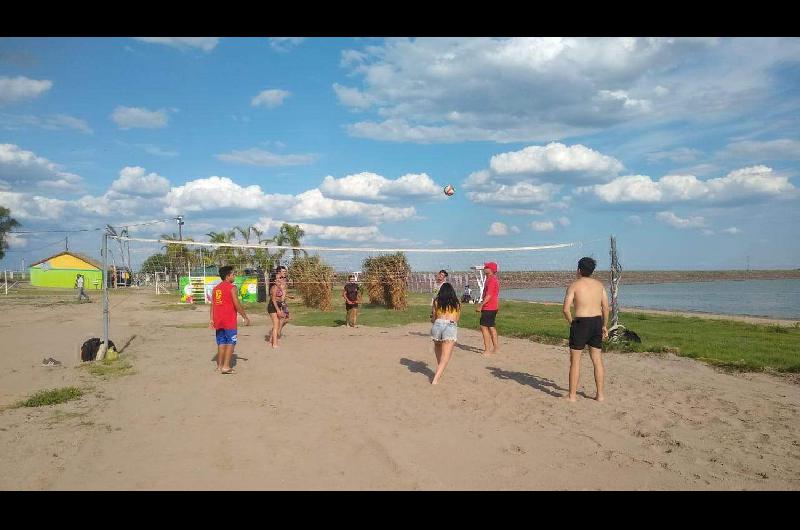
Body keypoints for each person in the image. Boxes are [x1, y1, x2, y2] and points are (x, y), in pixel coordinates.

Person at [562, 257, 609, 402]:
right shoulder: (599, 285)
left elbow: (565, 309)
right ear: (592, 270)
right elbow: (606, 308)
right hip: (596, 321)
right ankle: (600, 395)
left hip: (581, 322)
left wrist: (572, 323)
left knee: (575, 361)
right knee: (597, 359)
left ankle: (572, 396)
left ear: (578, 270)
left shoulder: (574, 286)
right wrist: (604, 326)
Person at [209, 265, 250, 374]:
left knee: (221, 342)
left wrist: (211, 319)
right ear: (228, 276)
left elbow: (212, 305)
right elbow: (236, 303)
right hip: (229, 320)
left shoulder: (216, 288)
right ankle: (226, 367)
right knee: (231, 342)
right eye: (233, 274)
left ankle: (219, 366)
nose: (234, 276)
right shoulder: (232, 287)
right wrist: (245, 317)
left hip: (218, 320)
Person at [430, 282, 460, 385]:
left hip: (438, 324)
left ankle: (439, 369)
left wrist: (434, 321)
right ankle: (436, 379)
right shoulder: (456, 303)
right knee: (446, 355)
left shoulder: (437, 301)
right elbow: (457, 318)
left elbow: (434, 317)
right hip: (450, 325)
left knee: (437, 348)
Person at [476, 262, 500, 355]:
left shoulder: (492, 280)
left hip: (489, 307)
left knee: (484, 327)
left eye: (486, 267)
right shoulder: (489, 279)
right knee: (491, 327)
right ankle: (496, 349)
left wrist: (481, 305)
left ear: (491, 269)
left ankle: (487, 350)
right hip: (492, 306)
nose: (484, 268)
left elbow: (489, 295)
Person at [266, 270, 282, 348]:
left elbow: (279, 298)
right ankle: (274, 344)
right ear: (274, 280)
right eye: (278, 278)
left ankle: (271, 339)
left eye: (281, 277)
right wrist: (278, 310)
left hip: (277, 306)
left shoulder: (279, 286)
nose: (280, 279)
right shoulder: (274, 287)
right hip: (272, 306)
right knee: (276, 325)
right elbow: (273, 300)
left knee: (277, 324)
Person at [276, 265, 290, 338]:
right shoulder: (278, 279)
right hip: (280, 301)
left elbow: (283, 291)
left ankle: (278, 330)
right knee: (282, 317)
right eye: (283, 271)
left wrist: (287, 296)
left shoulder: (284, 279)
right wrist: (281, 302)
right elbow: (278, 291)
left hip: (283, 301)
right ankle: (277, 332)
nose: (285, 273)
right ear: (279, 272)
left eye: (285, 271)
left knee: (287, 318)